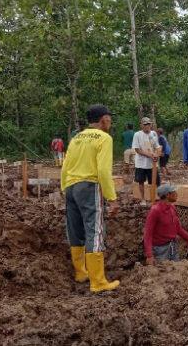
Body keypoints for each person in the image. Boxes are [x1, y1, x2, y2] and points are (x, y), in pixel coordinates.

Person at [60, 104, 120, 293]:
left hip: (70, 186)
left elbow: (65, 166)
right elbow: (103, 170)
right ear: (103, 119)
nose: (110, 121)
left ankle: (81, 272)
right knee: (95, 230)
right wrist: (111, 197)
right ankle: (98, 282)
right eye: (109, 117)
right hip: (89, 186)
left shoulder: (76, 138)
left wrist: (65, 188)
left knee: (75, 230)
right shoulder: (104, 138)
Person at [143, 184, 188, 264]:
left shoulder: (172, 208)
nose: (176, 194)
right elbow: (148, 234)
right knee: (163, 273)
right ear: (167, 195)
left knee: (176, 270)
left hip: (173, 246)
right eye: (174, 192)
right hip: (160, 250)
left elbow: (178, 229)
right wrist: (149, 255)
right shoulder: (155, 211)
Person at [133, 117, 161, 206]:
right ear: (141, 125)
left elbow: (157, 146)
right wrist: (150, 155)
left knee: (154, 182)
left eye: (149, 124)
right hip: (141, 163)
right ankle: (143, 199)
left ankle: (154, 198)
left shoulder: (153, 134)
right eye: (145, 124)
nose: (147, 126)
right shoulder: (137, 134)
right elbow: (137, 149)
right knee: (141, 181)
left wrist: (157, 154)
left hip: (152, 163)